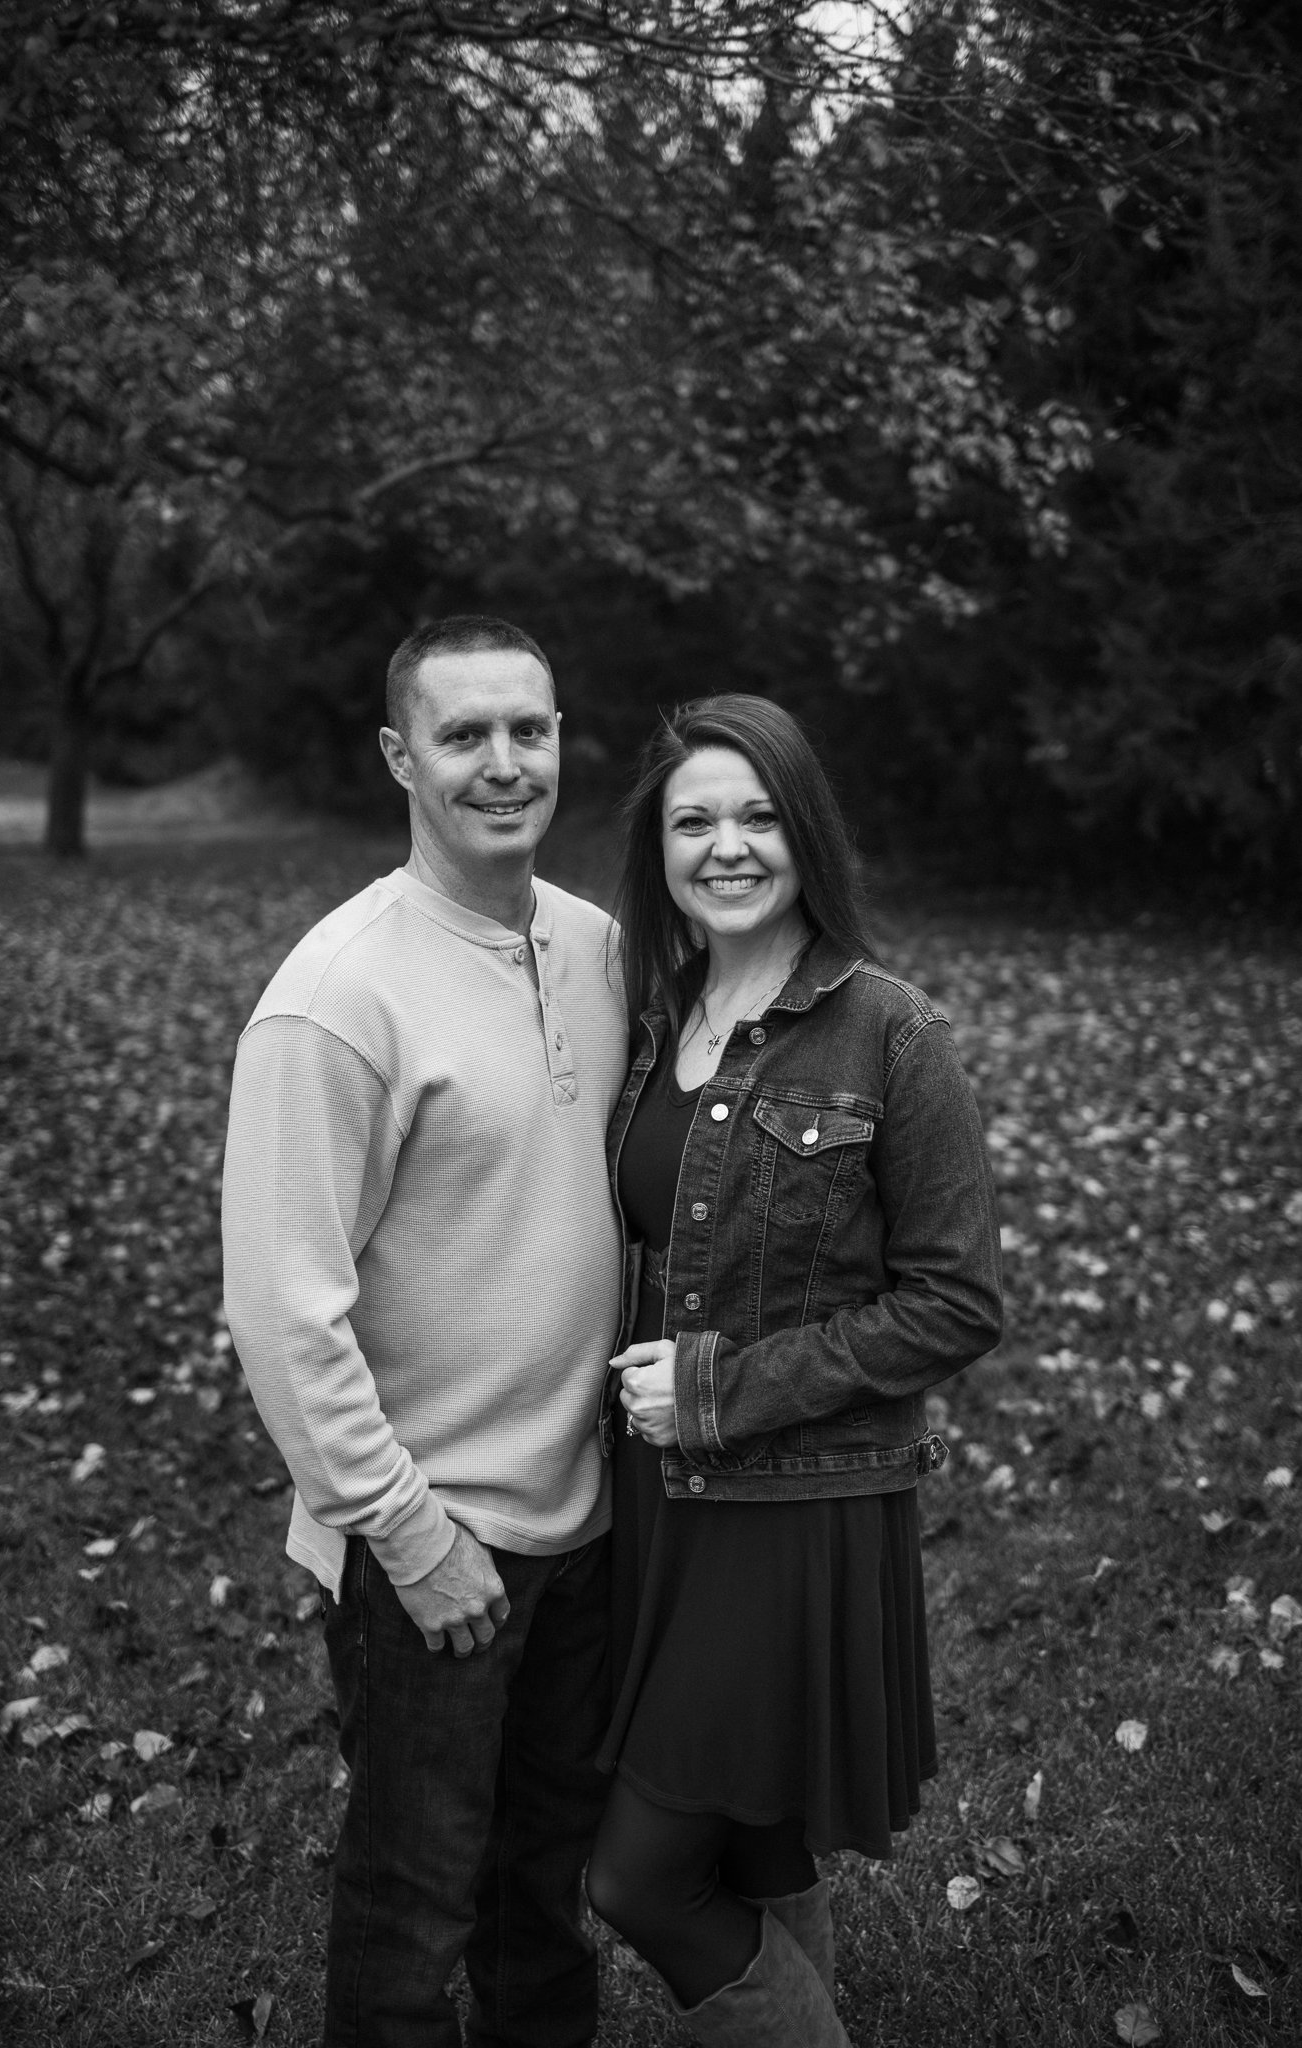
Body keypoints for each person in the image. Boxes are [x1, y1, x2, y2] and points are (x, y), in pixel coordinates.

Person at [221, 616, 629, 2048]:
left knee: (542, 1893)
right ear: (401, 757)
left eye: (530, 729)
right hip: (435, 1544)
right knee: (412, 1914)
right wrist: (408, 1535)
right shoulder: (337, 999)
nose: (504, 764)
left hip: (587, 1527)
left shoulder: (598, 948)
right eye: (465, 735)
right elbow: (282, 1309)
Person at [584, 695, 1004, 2046]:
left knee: (639, 1877)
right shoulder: (652, 1020)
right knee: (752, 1836)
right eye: (693, 820)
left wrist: (721, 1391)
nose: (726, 847)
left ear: (805, 832)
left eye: (758, 816)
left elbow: (955, 1303)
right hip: (655, 1497)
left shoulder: (890, 1033)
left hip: (793, 1501)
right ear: (657, 847)